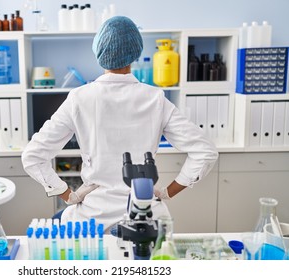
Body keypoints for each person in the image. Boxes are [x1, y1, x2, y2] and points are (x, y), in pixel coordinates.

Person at [21, 16, 218, 232]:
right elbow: (205, 152)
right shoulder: (155, 98)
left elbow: (33, 156)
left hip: (92, 220)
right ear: (136, 52)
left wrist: (69, 195)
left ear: (98, 52)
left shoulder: (79, 98)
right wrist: (168, 192)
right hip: (147, 220)